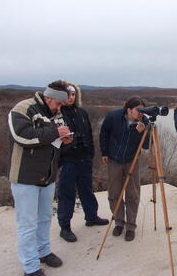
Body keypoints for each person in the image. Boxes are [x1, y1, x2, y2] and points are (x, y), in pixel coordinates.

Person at [8, 82, 73, 276]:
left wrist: (66, 141)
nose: (59, 108)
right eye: (58, 104)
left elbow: (55, 145)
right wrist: (55, 132)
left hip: (48, 176)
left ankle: (43, 251)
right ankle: (30, 265)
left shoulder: (56, 114)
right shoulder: (23, 108)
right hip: (25, 177)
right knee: (27, 223)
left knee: (45, 218)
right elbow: (22, 136)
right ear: (49, 97)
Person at [57, 81, 109, 243]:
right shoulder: (57, 114)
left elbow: (88, 134)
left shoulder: (81, 113)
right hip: (67, 161)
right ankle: (65, 227)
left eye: (73, 94)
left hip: (84, 159)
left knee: (87, 190)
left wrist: (91, 154)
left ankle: (91, 217)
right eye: (67, 94)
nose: (70, 97)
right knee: (67, 194)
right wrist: (58, 163)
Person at [99, 97, 149, 241]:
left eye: (143, 110)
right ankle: (119, 222)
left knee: (132, 193)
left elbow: (146, 146)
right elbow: (104, 134)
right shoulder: (113, 116)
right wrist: (104, 152)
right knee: (115, 192)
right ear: (129, 110)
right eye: (138, 110)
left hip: (132, 160)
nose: (141, 113)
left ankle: (131, 226)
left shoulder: (143, 121)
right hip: (114, 158)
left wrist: (142, 132)